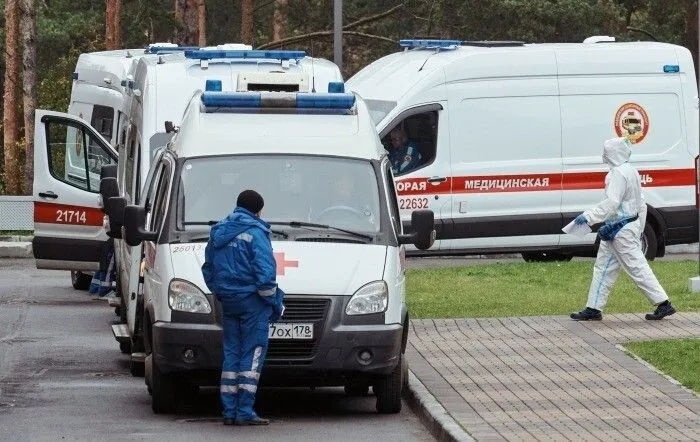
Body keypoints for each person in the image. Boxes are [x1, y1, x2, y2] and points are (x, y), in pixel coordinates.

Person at [201, 190, 284, 426]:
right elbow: (266, 275)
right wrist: (273, 302)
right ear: (257, 209)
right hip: (252, 303)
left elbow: (208, 269)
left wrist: (220, 291)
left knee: (232, 353)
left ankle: (229, 411)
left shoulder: (220, 231)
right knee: (253, 353)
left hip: (229, 301)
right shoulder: (256, 233)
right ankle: (244, 410)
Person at [570, 137, 675, 321]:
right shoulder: (631, 170)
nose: (603, 156)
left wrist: (588, 217)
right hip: (623, 227)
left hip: (620, 229)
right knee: (604, 268)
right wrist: (638, 227)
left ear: (612, 153)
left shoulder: (617, 174)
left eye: (606, 152)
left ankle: (663, 303)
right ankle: (593, 308)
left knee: (635, 266)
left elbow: (612, 202)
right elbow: (640, 202)